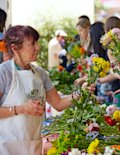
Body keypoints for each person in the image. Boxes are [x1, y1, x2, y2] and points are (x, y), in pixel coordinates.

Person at [0, 25, 95, 154]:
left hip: (33, 146)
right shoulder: (4, 73)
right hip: (6, 147)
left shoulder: (40, 74)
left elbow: (59, 104)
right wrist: (22, 109)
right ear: (15, 48)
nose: (37, 47)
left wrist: (81, 92)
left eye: (37, 43)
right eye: (32, 44)